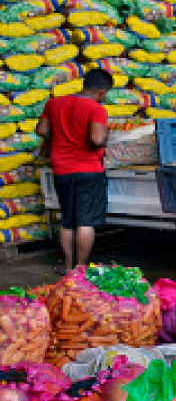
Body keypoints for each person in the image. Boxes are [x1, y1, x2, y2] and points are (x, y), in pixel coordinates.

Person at [36, 69, 111, 272]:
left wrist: (60, 137)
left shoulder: (54, 103)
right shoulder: (96, 109)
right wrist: (106, 136)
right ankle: (80, 269)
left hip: (61, 169)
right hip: (88, 170)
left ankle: (68, 266)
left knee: (67, 221)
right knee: (85, 222)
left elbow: (42, 130)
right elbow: (96, 139)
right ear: (101, 92)